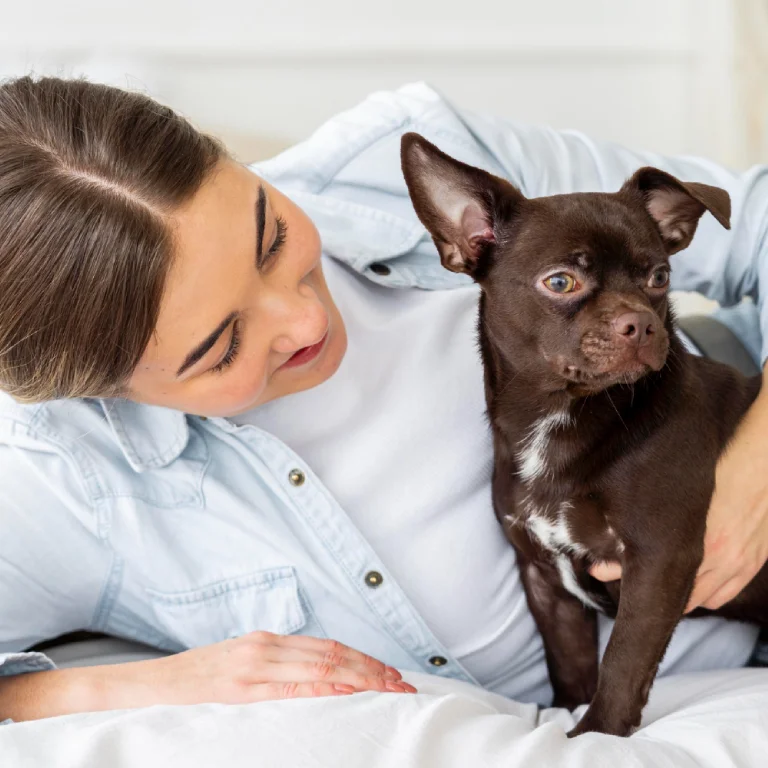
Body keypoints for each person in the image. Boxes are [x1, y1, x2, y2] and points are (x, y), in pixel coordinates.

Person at [0, 76, 766, 724]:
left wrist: (753, 465)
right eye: (221, 344)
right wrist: (138, 686)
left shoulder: (395, 158)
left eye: (271, 240)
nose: (304, 319)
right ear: (101, 391)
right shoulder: (61, 479)